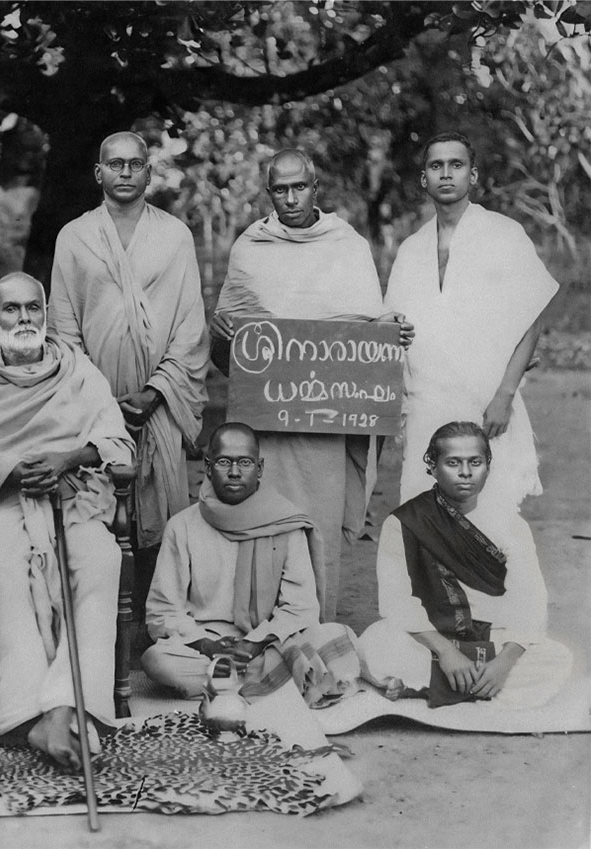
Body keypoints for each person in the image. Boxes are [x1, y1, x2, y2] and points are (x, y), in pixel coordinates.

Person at [0, 272, 134, 770]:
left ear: (46, 314)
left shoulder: (77, 370)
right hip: (2, 503)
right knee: (2, 564)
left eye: (32, 309)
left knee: (103, 560)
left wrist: (66, 458)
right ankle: (24, 715)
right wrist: (10, 470)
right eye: (12, 310)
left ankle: (65, 706)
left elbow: (116, 440)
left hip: (71, 497)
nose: (23, 319)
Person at [210, 149, 413, 621]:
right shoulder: (251, 248)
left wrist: (392, 331)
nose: (290, 198)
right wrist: (222, 335)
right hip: (269, 424)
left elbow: (367, 334)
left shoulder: (346, 245)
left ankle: (318, 632)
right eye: (279, 190)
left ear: (315, 187)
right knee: (264, 524)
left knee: (317, 530)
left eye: (299, 187)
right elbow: (230, 356)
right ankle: (259, 632)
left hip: (325, 423)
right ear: (269, 195)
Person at [49, 130, 210, 617]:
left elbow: (190, 326)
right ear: (98, 173)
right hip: (94, 405)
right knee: (96, 516)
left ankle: (153, 623)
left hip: (156, 404)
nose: (124, 172)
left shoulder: (174, 236)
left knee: (160, 520)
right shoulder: (74, 237)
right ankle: (99, 622)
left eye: (134, 164)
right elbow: (63, 327)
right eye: (114, 164)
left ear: (148, 172)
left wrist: (155, 392)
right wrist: (100, 401)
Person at [384, 132, 559, 510]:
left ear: (473, 176)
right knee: (426, 521)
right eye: (436, 166)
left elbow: (531, 318)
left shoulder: (504, 235)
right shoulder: (411, 250)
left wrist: (505, 395)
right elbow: (392, 327)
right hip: (426, 404)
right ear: (424, 179)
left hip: (485, 405)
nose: (446, 174)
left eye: (456, 165)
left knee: (491, 524)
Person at [142, 423, 360, 708]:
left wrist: (256, 642)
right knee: (157, 661)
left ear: (259, 468)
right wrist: (206, 646)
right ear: (208, 467)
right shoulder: (182, 526)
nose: (234, 472)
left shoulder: (284, 523)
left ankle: (227, 684)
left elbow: (302, 606)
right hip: (205, 645)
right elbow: (162, 610)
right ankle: (278, 683)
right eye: (223, 462)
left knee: (338, 636)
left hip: (270, 643)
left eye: (244, 462)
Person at [358, 422, 571, 709]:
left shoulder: (510, 524)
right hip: (430, 637)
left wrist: (505, 663)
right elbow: (396, 602)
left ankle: (436, 686)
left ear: (488, 466)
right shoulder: (404, 522)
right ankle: (479, 688)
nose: (466, 473)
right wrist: (446, 652)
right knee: (376, 643)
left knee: (557, 658)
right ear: (433, 467)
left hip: (493, 637)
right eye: (453, 463)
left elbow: (531, 599)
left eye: (475, 462)